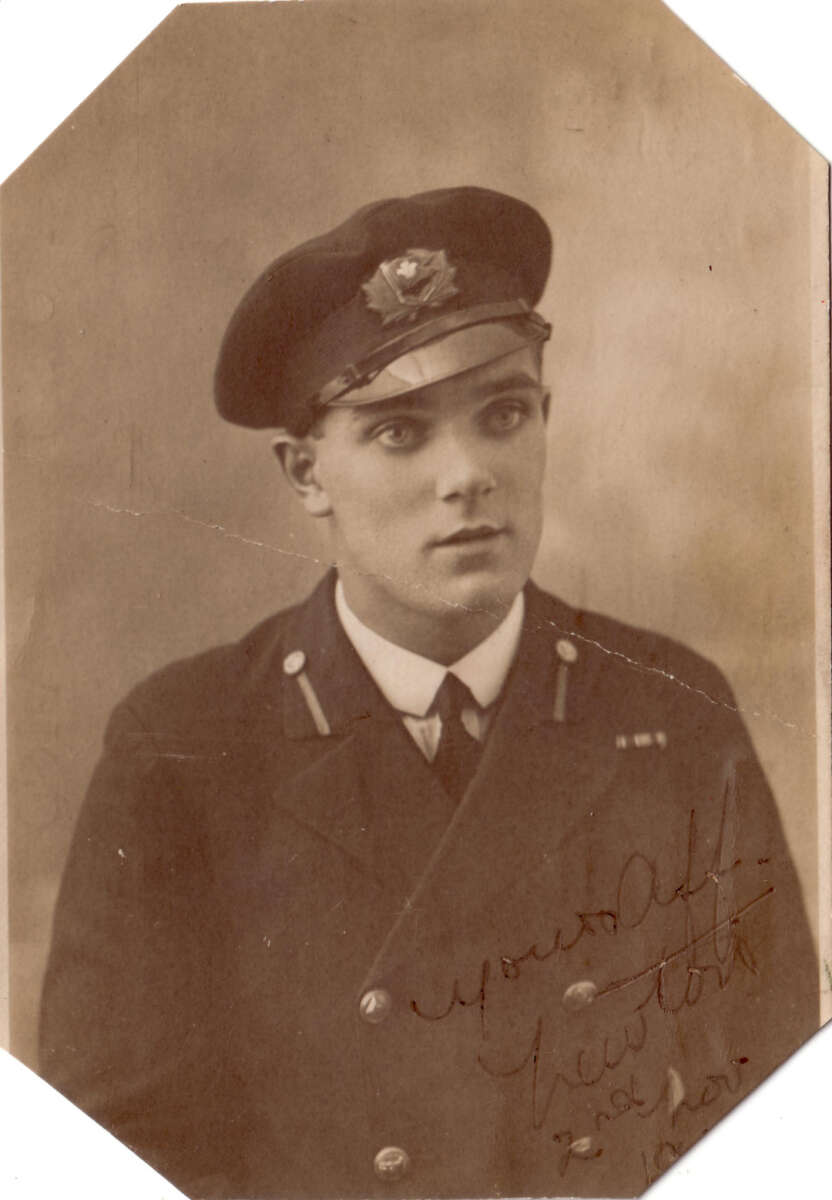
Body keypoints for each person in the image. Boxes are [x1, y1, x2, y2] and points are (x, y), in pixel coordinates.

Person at [39, 187, 818, 1199]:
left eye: (502, 415)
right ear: (306, 472)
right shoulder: (184, 744)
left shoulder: (671, 711)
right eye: (400, 434)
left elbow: (776, 1099)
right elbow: (110, 1147)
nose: (469, 476)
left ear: (545, 419)